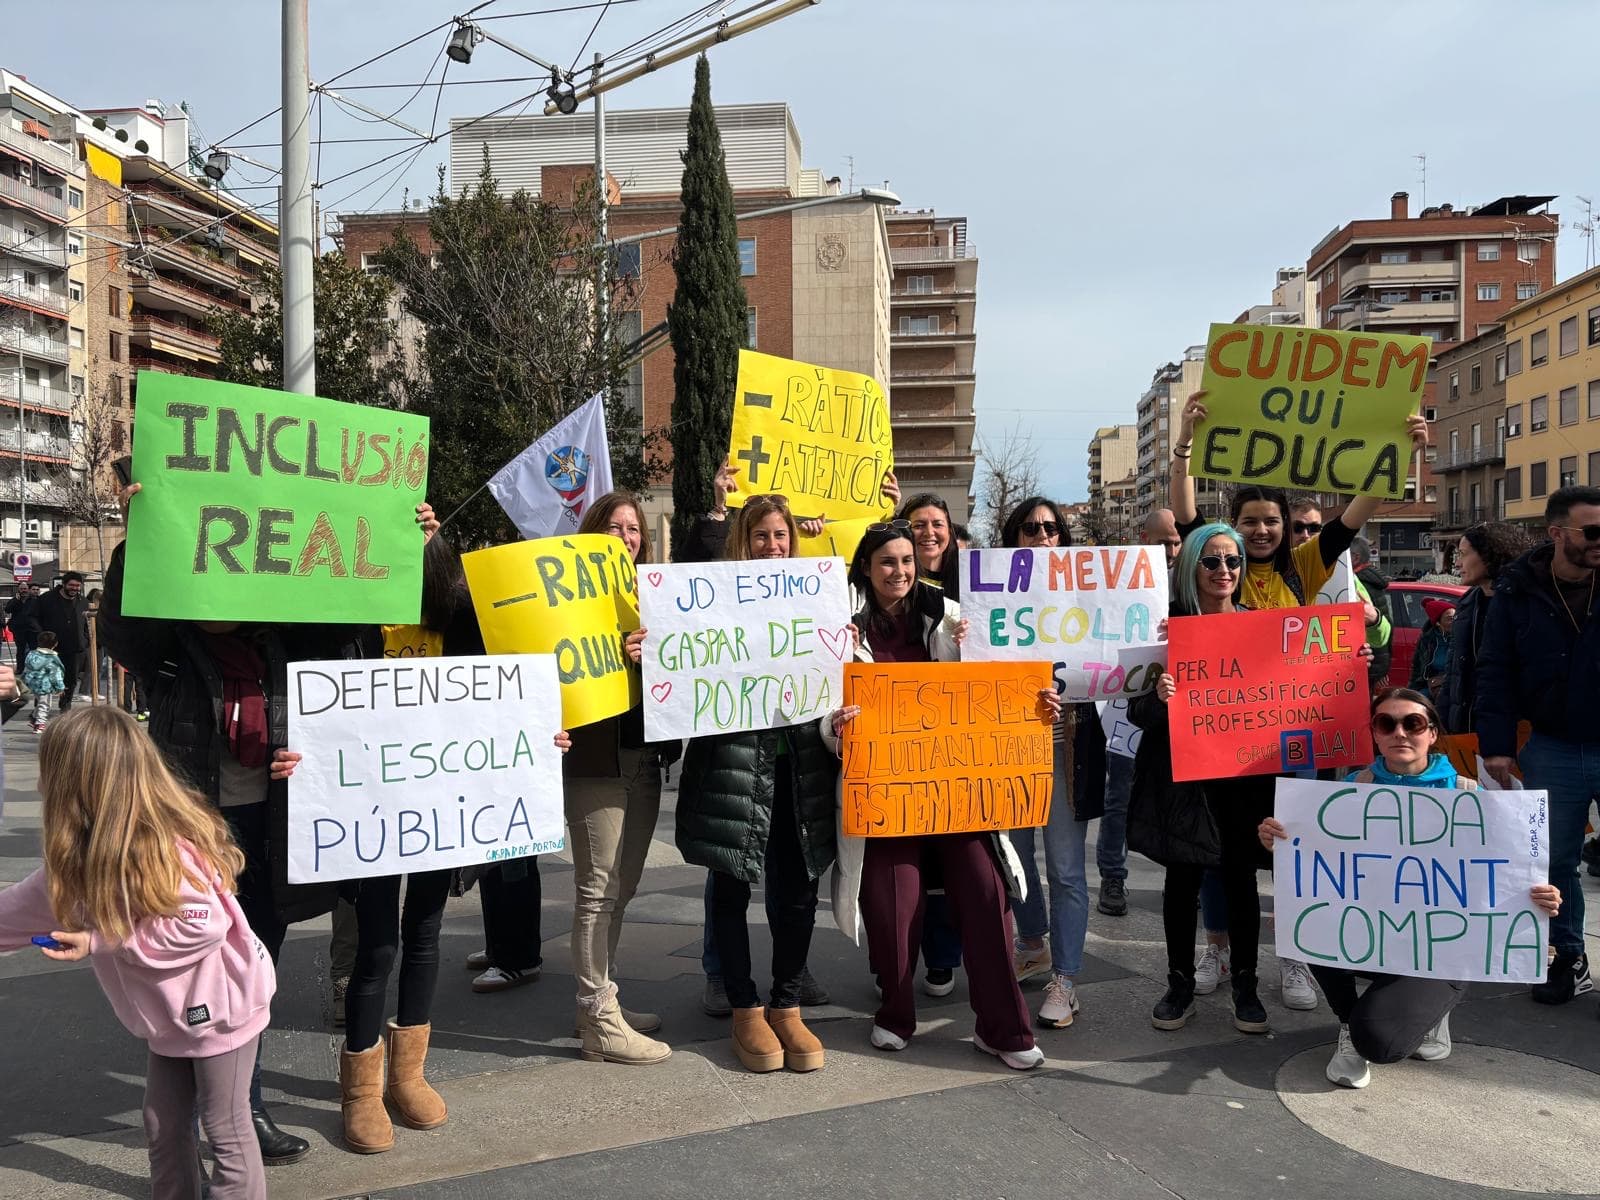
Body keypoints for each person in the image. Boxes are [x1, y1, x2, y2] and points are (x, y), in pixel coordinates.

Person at [98, 480, 439, 1166]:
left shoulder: (283, 637)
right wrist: (141, 539)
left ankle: (241, 1106)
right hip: (192, 830)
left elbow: (361, 623)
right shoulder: (169, 642)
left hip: (266, 827)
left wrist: (416, 540)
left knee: (254, 963)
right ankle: (204, 1117)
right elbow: (120, 630)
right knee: (193, 974)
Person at [1170, 398, 1426, 1012]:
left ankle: (1293, 957)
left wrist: (1400, 451)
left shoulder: (1306, 566)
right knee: (1221, 855)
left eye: (1271, 522)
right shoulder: (1217, 565)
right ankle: (1217, 948)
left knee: (1288, 846)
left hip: (1291, 740)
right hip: (1222, 739)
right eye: (1248, 522)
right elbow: (1184, 515)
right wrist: (1184, 442)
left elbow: (1354, 515)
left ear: (1287, 527)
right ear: (1230, 529)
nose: (1260, 531)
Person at [0, 707, 277, 1198]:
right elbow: (17, 911)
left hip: (222, 1010)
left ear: (74, 785)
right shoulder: (77, 860)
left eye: (49, 773)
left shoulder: (166, 850)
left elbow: (202, 924)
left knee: (226, 1127)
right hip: (168, 1018)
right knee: (161, 1123)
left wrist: (102, 940)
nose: (41, 786)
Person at [829, 520, 1058, 1070]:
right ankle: (895, 1013)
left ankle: (1004, 1029)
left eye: (907, 560)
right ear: (866, 568)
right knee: (892, 901)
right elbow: (819, 703)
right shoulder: (838, 626)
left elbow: (1003, 683)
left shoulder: (956, 617)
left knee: (986, 892)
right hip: (885, 798)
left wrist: (1038, 704)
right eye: (887, 561)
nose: (899, 571)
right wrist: (835, 729)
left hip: (957, 795)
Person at [1258, 688, 1562, 1088]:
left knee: (1381, 1042)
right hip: (1373, 932)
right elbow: (1320, 871)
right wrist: (1283, 845)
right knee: (1314, 924)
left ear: (1432, 733)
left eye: (1413, 723)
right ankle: (1348, 1023)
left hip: (1443, 948)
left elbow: (1507, 875)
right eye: (1387, 724)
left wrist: (1538, 898)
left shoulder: (1472, 797)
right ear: (1374, 733)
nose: (1400, 733)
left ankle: (1429, 1011)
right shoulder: (1348, 790)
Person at [674, 495, 840, 1073]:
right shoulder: (714, 598)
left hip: (801, 764)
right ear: (743, 540)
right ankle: (744, 1006)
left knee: (798, 890)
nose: (773, 545)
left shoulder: (817, 597)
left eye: (781, 535)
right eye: (762, 535)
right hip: (733, 764)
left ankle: (787, 1004)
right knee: (730, 885)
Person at [1128, 523, 1275, 1035]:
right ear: (1192, 566)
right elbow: (1136, 712)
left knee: (1240, 881)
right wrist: (1159, 697)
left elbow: (1297, 689)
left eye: (1233, 561)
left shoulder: (1261, 627)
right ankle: (1179, 984)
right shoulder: (1165, 629)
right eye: (1211, 561)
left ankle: (1246, 986)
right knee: (1182, 881)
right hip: (1182, 777)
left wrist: (1352, 659)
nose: (1224, 570)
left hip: (1242, 775)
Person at [563, 492, 678, 1066]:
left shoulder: (652, 598)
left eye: (634, 529)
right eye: (615, 526)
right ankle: (598, 1020)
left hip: (643, 758)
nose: (627, 537)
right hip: (594, 760)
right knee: (597, 889)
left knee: (622, 888)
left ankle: (601, 1003)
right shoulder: (571, 601)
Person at [1476, 485, 1600, 1005]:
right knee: (1554, 862)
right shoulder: (1517, 589)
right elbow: (1495, 669)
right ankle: (1567, 956)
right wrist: (1497, 746)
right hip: (1551, 745)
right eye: (1592, 531)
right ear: (1557, 533)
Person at [995, 497, 1108, 1028]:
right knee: (1014, 859)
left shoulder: (1090, 596)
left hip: (1068, 750)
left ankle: (1065, 978)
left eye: (1051, 527)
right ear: (1013, 538)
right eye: (1030, 528)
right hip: (1013, 750)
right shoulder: (991, 598)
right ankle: (1033, 941)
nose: (1042, 536)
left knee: (1065, 869)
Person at [1096, 508, 1184, 920]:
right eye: (1164, 541)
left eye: (1177, 542)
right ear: (1143, 538)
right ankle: (1113, 877)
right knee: (1119, 798)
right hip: (1125, 707)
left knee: (1180, 800)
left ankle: (1184, 877)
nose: (1172, 550)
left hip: (1177, 709)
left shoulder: (1191, 583)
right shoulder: (1119, 583)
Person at [1439, 521, 1533, 735]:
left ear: (1490, 554)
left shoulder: (1526, 603)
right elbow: (1454, 671)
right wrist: (1443, 718)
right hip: (1466, 729)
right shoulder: (1468, 603)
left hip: (1516, 731)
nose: (1457, 563)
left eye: (1463, 554)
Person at [34, 570, 84, 710]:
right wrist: (42, 635)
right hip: (51, 647)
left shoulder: (83, 602)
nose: (74, 588)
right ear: (63, 584)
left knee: (71, 679)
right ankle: (40, 708)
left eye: (77, 586)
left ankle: (65, 705)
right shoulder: (46, 599)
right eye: (71, 585)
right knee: (45, 677)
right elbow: (32, 618)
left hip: (74, 647)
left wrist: (85, 639)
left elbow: (88, 622)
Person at [1409, 600, 1455, 699]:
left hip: (1453, 686)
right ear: (1438, 623)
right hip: (1431, 685)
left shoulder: (1461, 638)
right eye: (1450, 618)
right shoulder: (1427, 640)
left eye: (1456, 617)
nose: (1454, 621)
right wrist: (1412, 691)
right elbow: (1417, 668)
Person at [22, 629, 65, 732]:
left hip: (32, 683)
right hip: (45, 685)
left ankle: (34, 717)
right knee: (45, 704)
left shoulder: (31, 654)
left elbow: (26, 668)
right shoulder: (52, 659)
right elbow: (55, 675)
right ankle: (39, 724)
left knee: (40, 702)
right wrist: (60, 687)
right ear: (55, 644)